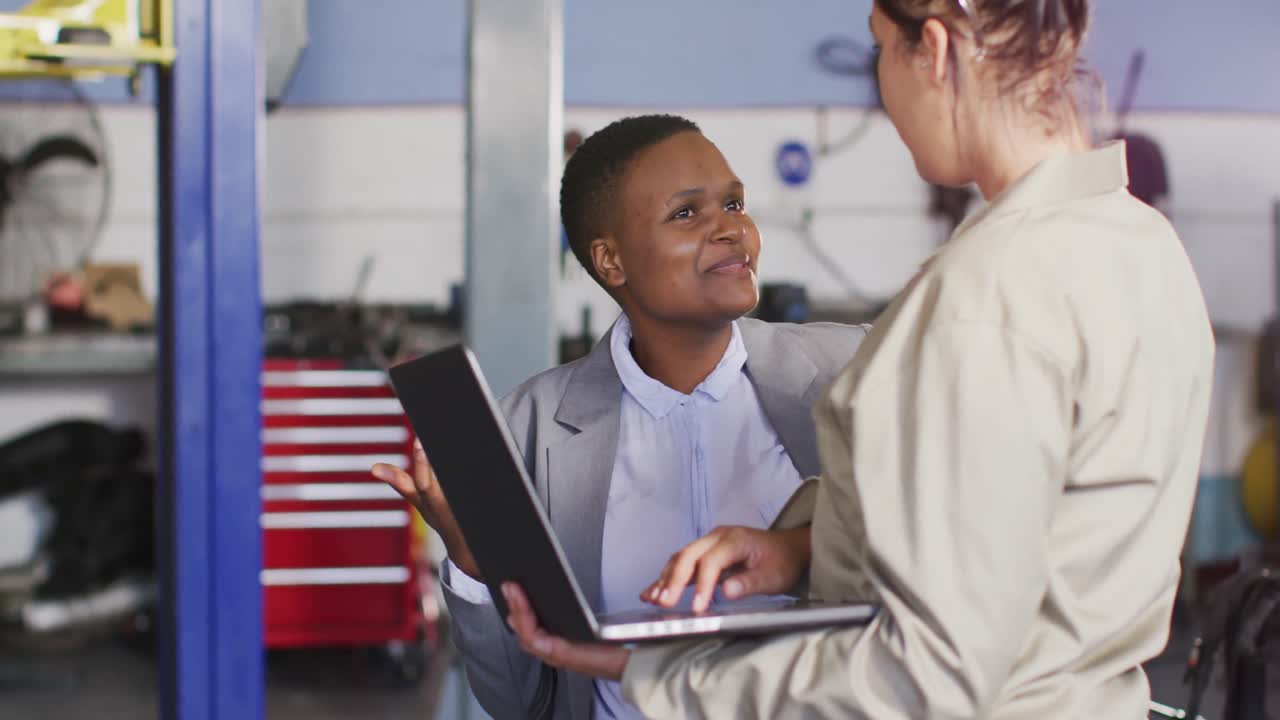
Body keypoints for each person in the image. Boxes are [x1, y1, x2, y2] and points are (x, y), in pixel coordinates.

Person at [500, 2, 1216, 718]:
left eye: (879, 49)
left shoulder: (981, 299)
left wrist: (661, 673)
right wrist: (802, 549)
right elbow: (1025, 535)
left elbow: (924, 675)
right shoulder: (1143, 245)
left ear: (932, 51)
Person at [372, 114, 867, 720]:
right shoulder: (531, 428)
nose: (732, 230)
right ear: (611, 261)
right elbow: (520, 700)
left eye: (734, 203)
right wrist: (473, 560)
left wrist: (800, 548)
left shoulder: (859, 373)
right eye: (687, 214)